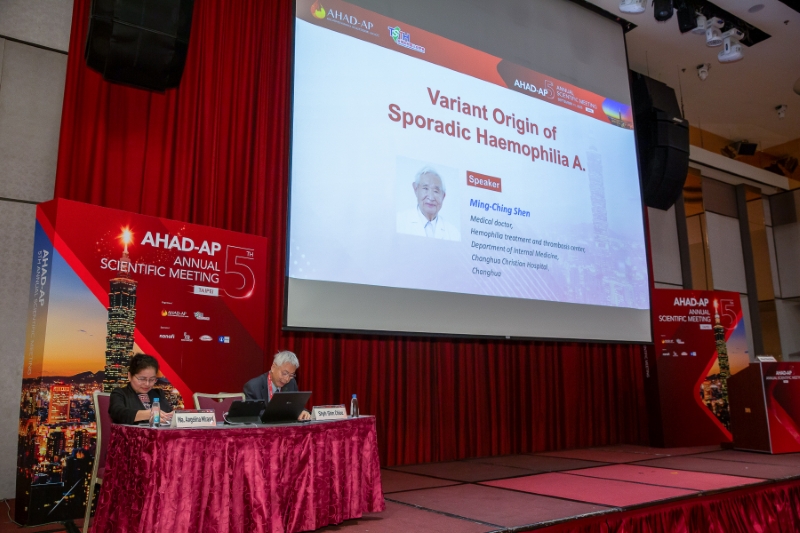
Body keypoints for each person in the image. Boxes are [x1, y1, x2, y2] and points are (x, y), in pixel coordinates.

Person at [243, 350, 311, 420]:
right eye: (284, 373)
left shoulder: (291, 383)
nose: (287, 379)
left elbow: (296, 406)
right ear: (273, 367)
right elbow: (253, 414)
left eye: (291, 375)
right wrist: (282, 414)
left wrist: (303, 411)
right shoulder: (253, 387)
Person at [396, 166, 460, 241]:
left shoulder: (453, 233)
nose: (431, 197)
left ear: (443, 196)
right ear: (416, 189)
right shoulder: (398, 222)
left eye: (436, 191)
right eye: (425, 188)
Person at [109, 353, 174, 425]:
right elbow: (118, 413)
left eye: (152, 379)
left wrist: (172, 415)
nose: (147, 384)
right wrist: (149, 414)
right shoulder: (120, 393)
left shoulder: (158, 393)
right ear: (130, 376)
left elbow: (168, 412)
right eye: (142, 379)